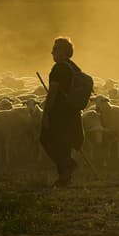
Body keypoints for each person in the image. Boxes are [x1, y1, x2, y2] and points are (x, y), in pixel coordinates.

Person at [40, 36, 85, 187]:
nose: (52, 52)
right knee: (63, 144)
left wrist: (46, 113)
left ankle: (68, 165)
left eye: (55, 49)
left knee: (46, 139)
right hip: (72, 112)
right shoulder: (74, 67)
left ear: (63, 51)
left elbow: (52, 93)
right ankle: (65, 178)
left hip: (59, 113)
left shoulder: (59, 68)